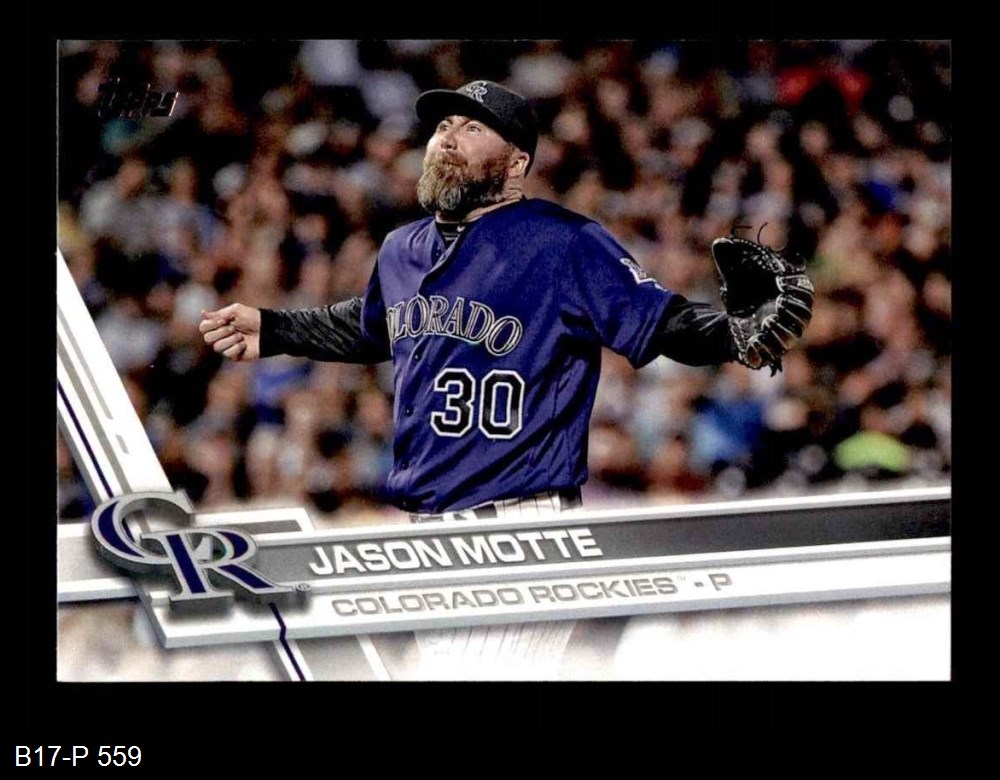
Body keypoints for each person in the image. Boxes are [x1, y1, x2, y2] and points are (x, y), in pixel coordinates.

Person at [200, 80, 812, 677]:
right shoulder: (400, 249)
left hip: (518, 520)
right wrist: (276, 328)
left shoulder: (564, 242)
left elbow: (661, 319)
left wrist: (732, 334)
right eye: (443, 125)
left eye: (472, 128)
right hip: (427, 527)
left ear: (517, 163)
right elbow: (371, 328)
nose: (447, 137)